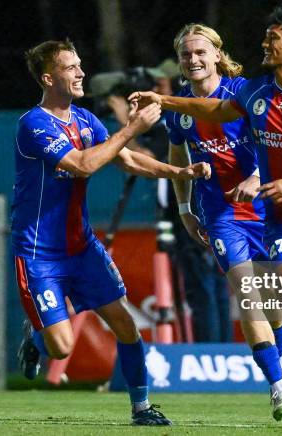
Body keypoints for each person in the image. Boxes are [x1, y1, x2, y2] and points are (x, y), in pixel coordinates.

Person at [130, 7, 282, 429]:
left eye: (272, 36)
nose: (264, 41)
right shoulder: (256, 93)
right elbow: (213, 111)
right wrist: (162, 99)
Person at [12, 39, 210, 426]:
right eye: (71, 67)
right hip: (38, 253)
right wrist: (132, 126)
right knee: (62, 346)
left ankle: (141, 407)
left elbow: (127, 157)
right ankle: (36, 339)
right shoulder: (33, 124)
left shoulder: (86, 120)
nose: (81, 72)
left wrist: (179, 173)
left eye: (80, 64)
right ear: (49, 78)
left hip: (82, 248)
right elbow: (83, 165)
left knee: (125, 324)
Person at [165, 23, 282, 419]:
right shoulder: (181, 109)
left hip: (266, 208)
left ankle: (280, 358)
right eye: (186, 54)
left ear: (218, 55)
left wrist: (257, 179)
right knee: (247, 292)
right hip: (221, 214)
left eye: (201, 52)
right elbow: (176, 157)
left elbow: (280, 144)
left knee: (274, 298)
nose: (193, 59)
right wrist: (185, 208)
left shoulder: (245, 94)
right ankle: (279, 387)